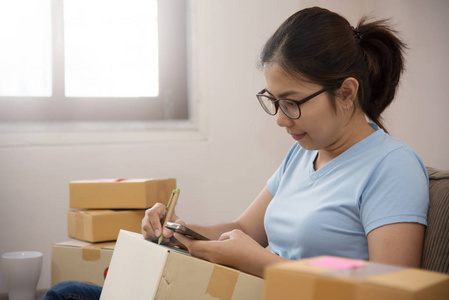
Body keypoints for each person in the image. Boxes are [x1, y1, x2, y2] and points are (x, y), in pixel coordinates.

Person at [42, 6, 429, 299]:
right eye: (273, 101)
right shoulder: (304, 152)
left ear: (346, 93)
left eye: (291, 102)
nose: (280, 120)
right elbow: (245, 231)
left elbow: (390, 290)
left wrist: (262, 263)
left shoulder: (392, 166)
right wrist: (178, 232)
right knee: (68, 292)